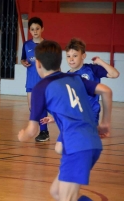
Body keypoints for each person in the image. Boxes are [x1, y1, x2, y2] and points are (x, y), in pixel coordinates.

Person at [18, 40, 112, 201]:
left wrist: (22, 136)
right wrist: (105, 123)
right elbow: (106, 91)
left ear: (38, 63)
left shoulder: (40, 87)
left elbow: (32, 130)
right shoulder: (75, 78)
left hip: (77, 146)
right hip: (91, 143)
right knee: (57, 192)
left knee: (66, 198)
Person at [41, 38, 119, 153]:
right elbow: (67, 102)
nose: (71, 59)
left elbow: (114, 74)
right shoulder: (66, 76)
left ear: (83, 56)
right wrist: (55, 117)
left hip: (89, 115)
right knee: (59, 148)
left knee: (78, 146)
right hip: (72, 117)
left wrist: (100, 62)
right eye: (68, 56)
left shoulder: (92, 69)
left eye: (75, 55)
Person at [21, 16, 49, 142]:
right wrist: (23, 62)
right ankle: (37, 128)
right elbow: (23, 58)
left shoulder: (47, 45)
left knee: (41, 107)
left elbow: (52, 62)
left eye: (37, 28)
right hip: (31, 81)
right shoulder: (26, 45)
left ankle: (44, 131)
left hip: (43, 82)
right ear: (30, 31)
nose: (35, 31)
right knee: (32, 107)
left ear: (42, 29)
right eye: (32, 29)